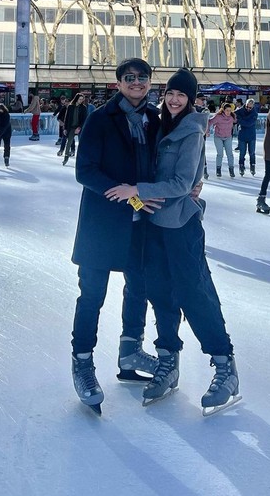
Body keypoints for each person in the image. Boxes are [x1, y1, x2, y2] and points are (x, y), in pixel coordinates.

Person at [105, 68, 239, 414]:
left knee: (195, 293)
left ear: (191, 99)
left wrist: (137, 190)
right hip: (153, 223)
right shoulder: (161, 124)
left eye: (182, 95)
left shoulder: (193, 129)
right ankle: (168, 359)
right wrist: (139, 196)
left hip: (181, 225)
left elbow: (181, 183)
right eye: (170, 94)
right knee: (159, 293)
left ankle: (224, 366)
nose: (175, 99)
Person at [70, 58, 178, 415]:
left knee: (139, 288)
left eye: (142, 78)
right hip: (103, 224)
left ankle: (129, 353)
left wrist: (190, 183)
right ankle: (83, 362)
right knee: (92, 296)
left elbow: (166, 164)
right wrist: (131, 195)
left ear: (150, 83)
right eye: (129, 78)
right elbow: (85, 170)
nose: (136, 83)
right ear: (118, 84)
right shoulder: (100, 119)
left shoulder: (155, 119)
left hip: (141, 224)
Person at [208, 103, 236, 178]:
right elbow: (210, 122)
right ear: (223, 110)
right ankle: (218, 170)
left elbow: (238, 119)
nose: (228, 112)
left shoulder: (232, 117)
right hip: (218, 137)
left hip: (228, 137)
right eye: (227, 110)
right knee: (220, 154)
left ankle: (231, 169)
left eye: (230, 111)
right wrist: (207, 131)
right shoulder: (218, 117)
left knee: (230, 154)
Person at [59, 93, 88, 165]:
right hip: (71, 127)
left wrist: (79, 127)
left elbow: (84, 119)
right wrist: (65, 128)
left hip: (79, 127)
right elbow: (66, 118)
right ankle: (66, 158)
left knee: (83, 143)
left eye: (82, 99)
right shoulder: (70, 107)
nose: (81, 101)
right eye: (80, 99)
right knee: (69, 142)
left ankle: (84, 160)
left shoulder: (83, 107)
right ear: (76, 99)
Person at [235, 97, 259, 175]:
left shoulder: (254, 113)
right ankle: (241, 166)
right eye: (247, 106)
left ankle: (252, 165)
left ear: (253, 106)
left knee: (252, 152)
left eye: (250, 107)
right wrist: (240, 120)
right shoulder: (240, 110)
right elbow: (233, 114)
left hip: (251, 136)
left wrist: (239, 120)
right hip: (242, 135)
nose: (248, 108)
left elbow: (249, 123)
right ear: (245, 104)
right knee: (242, 153)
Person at [194, 92, 210, 180]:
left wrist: (206, 130)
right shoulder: (191, 108)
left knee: (201, 151)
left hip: (201, 133)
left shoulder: (205, 110)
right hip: (192, 134)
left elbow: (206, 121)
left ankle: (204, 170)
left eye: (204, 100)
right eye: (202, 99)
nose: (203, 101)